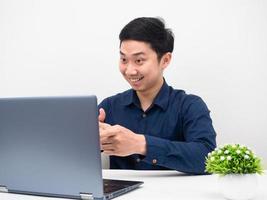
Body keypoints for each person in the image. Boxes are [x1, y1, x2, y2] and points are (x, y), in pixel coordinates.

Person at [98, 17, 216, 174]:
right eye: (124, 59)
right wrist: (91, 142)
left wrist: (141, 144)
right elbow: (76, 155)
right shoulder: (110, 106)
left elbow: (207, 157)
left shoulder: (189, 105)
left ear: (165, 60)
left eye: (139, 60)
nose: (129, 70)